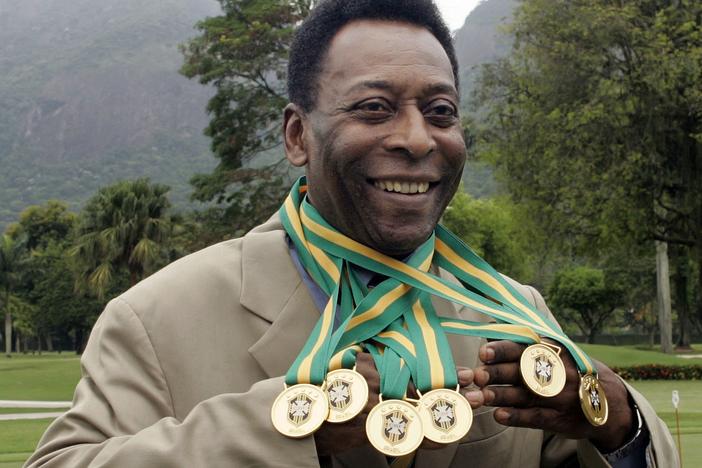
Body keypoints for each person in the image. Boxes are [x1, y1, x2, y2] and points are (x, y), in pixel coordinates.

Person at [26, 1, 677, 467]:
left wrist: (617, 420)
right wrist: (292, 428)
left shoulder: (516, 316)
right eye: (375, 108)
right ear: (296, 135)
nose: (417, 139)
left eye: (440, 111)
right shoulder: (156, 318)